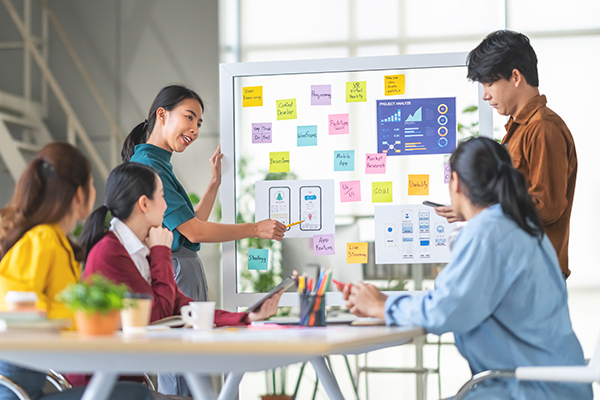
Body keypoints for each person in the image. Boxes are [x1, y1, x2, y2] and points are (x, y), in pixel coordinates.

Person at [338, 138, 592, 400]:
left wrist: (382, 306)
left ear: (456, 182)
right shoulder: (521, 225)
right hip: (555, 385)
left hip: (526, 390)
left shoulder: (489, 231)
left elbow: (446, 311)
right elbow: (457, 298)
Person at [79, 161, 282, 397]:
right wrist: (161, 253)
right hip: (104, 388)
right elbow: (158, 314)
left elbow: (180, 305)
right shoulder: (111, 252)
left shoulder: (134, 248)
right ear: (144, 204)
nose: (166, 205)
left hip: (127, 383)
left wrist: (246, 316)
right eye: (162, 196)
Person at [0, 143, 154, 400]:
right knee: (136, 395)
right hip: (16, 393)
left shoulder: (58, 243)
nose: (96, 192)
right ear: (80, 194)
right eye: (92, 184)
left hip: (32, 387)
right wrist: (92, 318)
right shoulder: (43, 238)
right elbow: (16, 305)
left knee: (135, 393)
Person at [121, 85, 286, 302]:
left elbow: (193, 222)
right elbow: (194, 232)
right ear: (162, 114)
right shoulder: (150, 166)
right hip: (176, 270)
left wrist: (215, 182)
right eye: (189, 118)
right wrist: (255, 228)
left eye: (198, 123)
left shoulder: (158, 163)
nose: (195, 130)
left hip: (182, 269)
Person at [436, 30, 577, 279]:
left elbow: (547, 206)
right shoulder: (518, 129)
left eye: (489, 84)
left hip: (536, 274)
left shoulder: (542, 128)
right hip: (521, 269)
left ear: (515, 77)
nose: (485, 95)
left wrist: (478, 207)